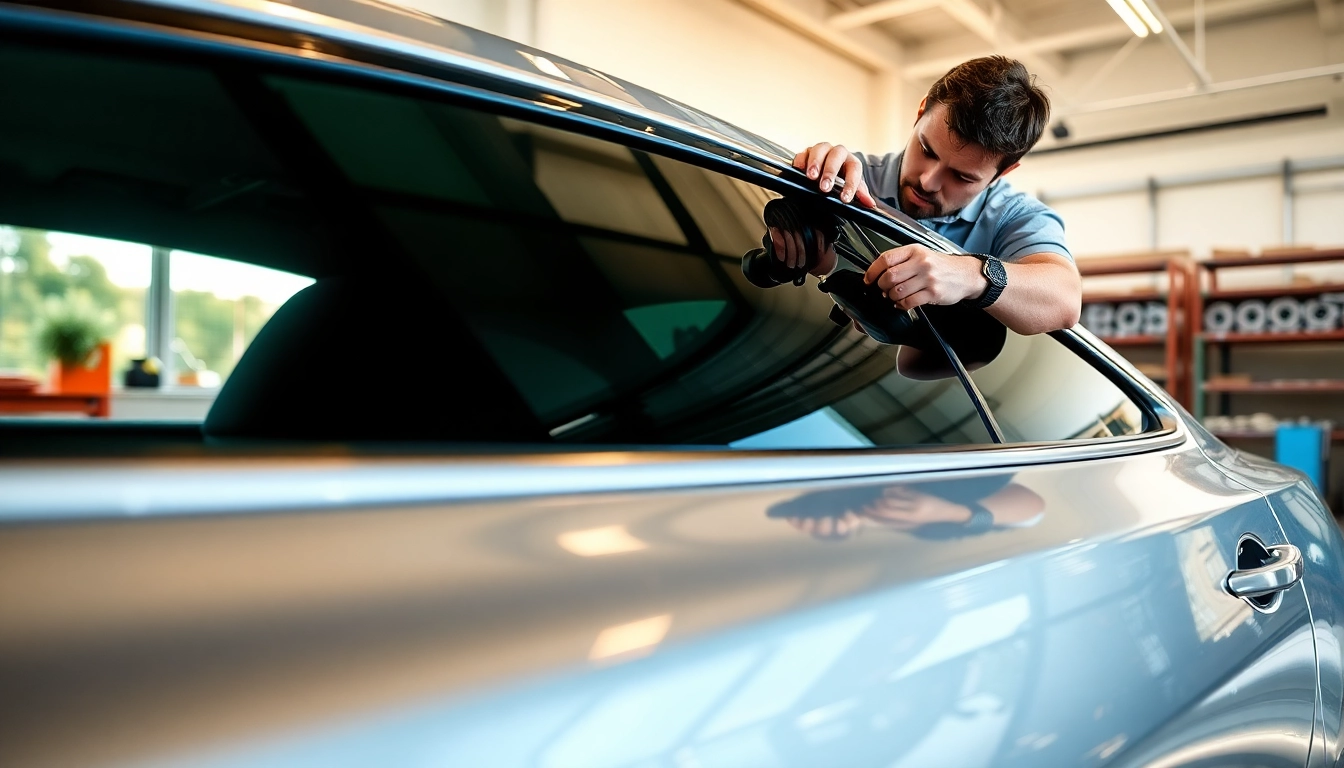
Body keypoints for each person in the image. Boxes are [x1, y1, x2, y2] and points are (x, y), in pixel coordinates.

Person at [771, 55, 1081, 336]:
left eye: (961, 176)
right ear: (921, 113)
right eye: (927, 150)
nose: (928, 181)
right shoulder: (849, 177)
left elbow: (1064, 300)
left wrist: (970, 275)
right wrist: (799, 187)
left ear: (1004, 172)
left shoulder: (1015, 217)